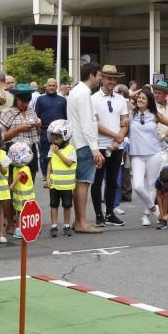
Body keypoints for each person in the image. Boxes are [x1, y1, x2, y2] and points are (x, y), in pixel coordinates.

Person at [128, 87, 168, 226]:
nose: (140, 99)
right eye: (139, 97)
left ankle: (145, 215)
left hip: (153, 153)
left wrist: (162, 136)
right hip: (137, 154)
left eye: (144, 98)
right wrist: (133, 94)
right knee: (138, 186)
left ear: (149, 101)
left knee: (151, 186)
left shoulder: (155, 115)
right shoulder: (131, 114)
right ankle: (153, 208)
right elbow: (125, 97)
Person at [67, 62, 104, 233]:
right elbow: (88, 123)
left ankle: (79, 221)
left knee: (79, 183)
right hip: (83, 144)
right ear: (92, 75)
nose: (100, 79)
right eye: (99, 75)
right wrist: (95, 148)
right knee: (83, 183)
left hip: (76, 142)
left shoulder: (76, 91)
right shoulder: (83, 93)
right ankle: (81, 222)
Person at [91, 65, 129, 227]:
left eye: (114, 78)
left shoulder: (121, 99)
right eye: (109, 78)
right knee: (97, 181)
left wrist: (118, 141)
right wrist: (117, 136)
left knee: (113, 181)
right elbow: (96, 124)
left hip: (116, 146)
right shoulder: (93, 99)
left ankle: (110, 212)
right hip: (99, 145)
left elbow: (125, 121)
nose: (112, 81)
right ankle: (98, 214)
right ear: (102, 79)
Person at [0, 83, 41, 179]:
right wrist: (19, 129)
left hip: (31, 148)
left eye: (28, 101)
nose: (25, 104)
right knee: (13, 179)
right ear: (16, 98)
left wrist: (38, 126)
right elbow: (2, 136)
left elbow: (37, 135)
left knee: (30, 178)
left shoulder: (31, 111)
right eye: (23, 101)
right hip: (14, 150)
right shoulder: (8, 112)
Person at [44, 120, 76, 237]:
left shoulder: (71, 149)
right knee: (54, 205)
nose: (54, 140)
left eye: (57, 138)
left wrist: (58, 153)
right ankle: (54, 226)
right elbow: (50, 164)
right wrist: (47, 177)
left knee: (67, 205)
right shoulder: (52, 149)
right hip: (54, 184)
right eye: (53, 137)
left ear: (65, 136)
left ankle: (66, 225)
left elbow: (69, 163)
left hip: (67, 185)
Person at [35, 77, 68, 178]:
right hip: (45, 131)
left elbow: (65, 117)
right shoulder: (40, 99)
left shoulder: (62, 100)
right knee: (45, 154)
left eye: (53, 85)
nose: (51, 87)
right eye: (49, 85)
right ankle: (46, 176)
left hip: (59, 133)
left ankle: (57, 174)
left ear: (57, 87)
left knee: (60, 152)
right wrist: (38, 132)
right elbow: (37, 116)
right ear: (46, 86)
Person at [8, 142, 35, 240]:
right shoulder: (25, 168)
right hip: (25, 196)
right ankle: (19, 230)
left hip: (18, 195)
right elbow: (20, 175)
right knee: (22, 213)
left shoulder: (15, 168)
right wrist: (12, 184)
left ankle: (20, 228)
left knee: (19, 212)